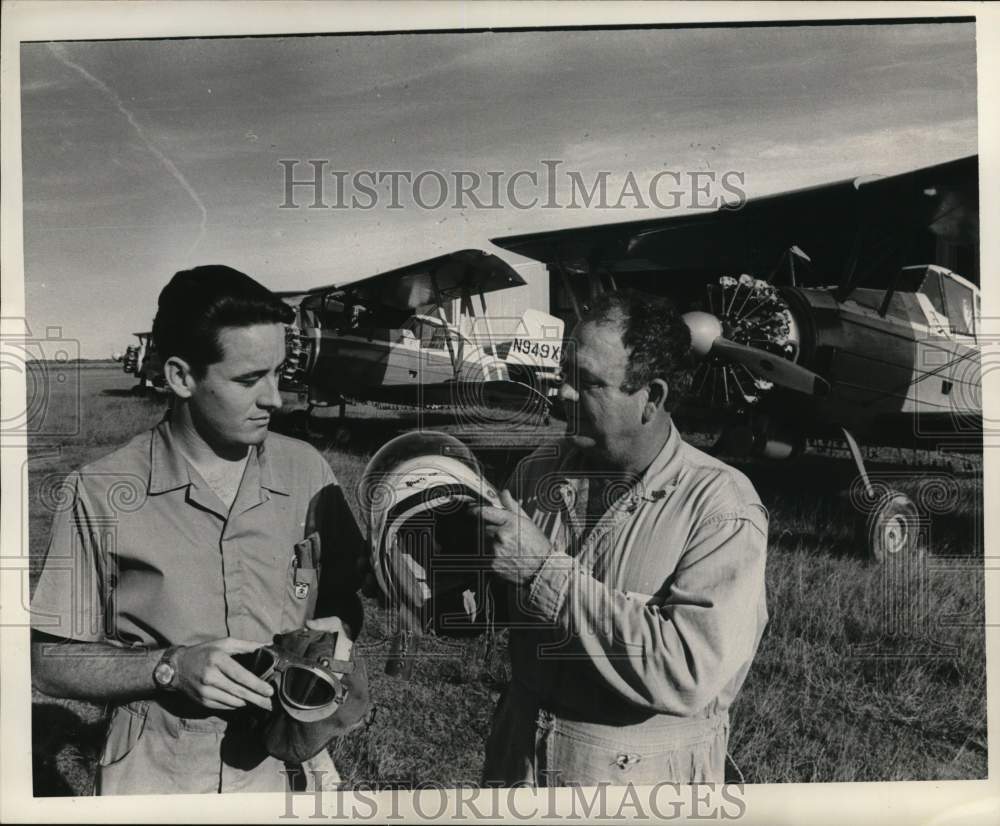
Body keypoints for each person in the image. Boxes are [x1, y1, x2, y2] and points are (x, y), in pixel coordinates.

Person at [30, 265, 364, 794]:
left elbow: (346, 597)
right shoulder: (99, 491)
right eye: (249, 380)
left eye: (280, 372)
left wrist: (331, 643)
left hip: (282, 765)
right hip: (155, 773)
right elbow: (48, 661)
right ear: (182, 377)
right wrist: (170, 667)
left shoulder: (308, 472)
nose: (275, 399)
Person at [475, 289, 768, 786]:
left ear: (652, 398)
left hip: (638, 787)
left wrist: (543, 572)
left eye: (586, 382)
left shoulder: (722, 508)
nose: (562, 394)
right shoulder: (538, 470)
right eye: (565, 376)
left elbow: (687, 670)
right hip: (517, 768)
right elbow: (501, 598)